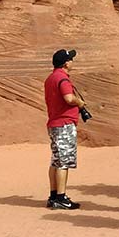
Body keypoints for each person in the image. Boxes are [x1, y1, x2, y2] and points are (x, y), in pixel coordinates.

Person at [44, 49, 86, 210]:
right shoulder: (62, 79)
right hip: (64, 124)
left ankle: (54, 195)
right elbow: (69, 98)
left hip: (54, 123)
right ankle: (61, 197)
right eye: (71, 59)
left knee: (55, 160)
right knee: (63, 161)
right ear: (66, 63)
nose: (72, 62)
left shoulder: (50, 78)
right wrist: (79, 103)